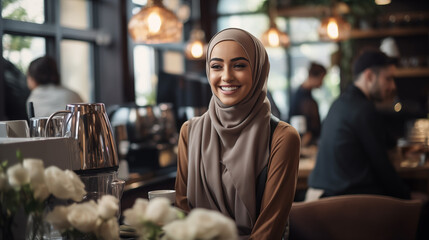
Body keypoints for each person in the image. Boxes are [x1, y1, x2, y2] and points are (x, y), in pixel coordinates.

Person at [175, 28, 300, 240]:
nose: (226, 76)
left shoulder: (282, 137)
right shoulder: (190, 132)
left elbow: (268, 232)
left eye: (239, 65)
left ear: (259, 70)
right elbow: (181, 213)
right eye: (216, 66)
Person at [307, 49, 410, 199]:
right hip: (344, 204)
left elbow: (385, 141)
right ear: (369, 76)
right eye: (388, 79)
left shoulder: (340, 103)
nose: (393, 86)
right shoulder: (363, 109)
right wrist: (408, 197)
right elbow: (383, 168)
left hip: (322, 197)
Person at [288, 62, 326, 146]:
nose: (322, 83)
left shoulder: (305, 95)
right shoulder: (301, 97)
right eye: (322, 79)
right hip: (304, 145)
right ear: (315, 77)